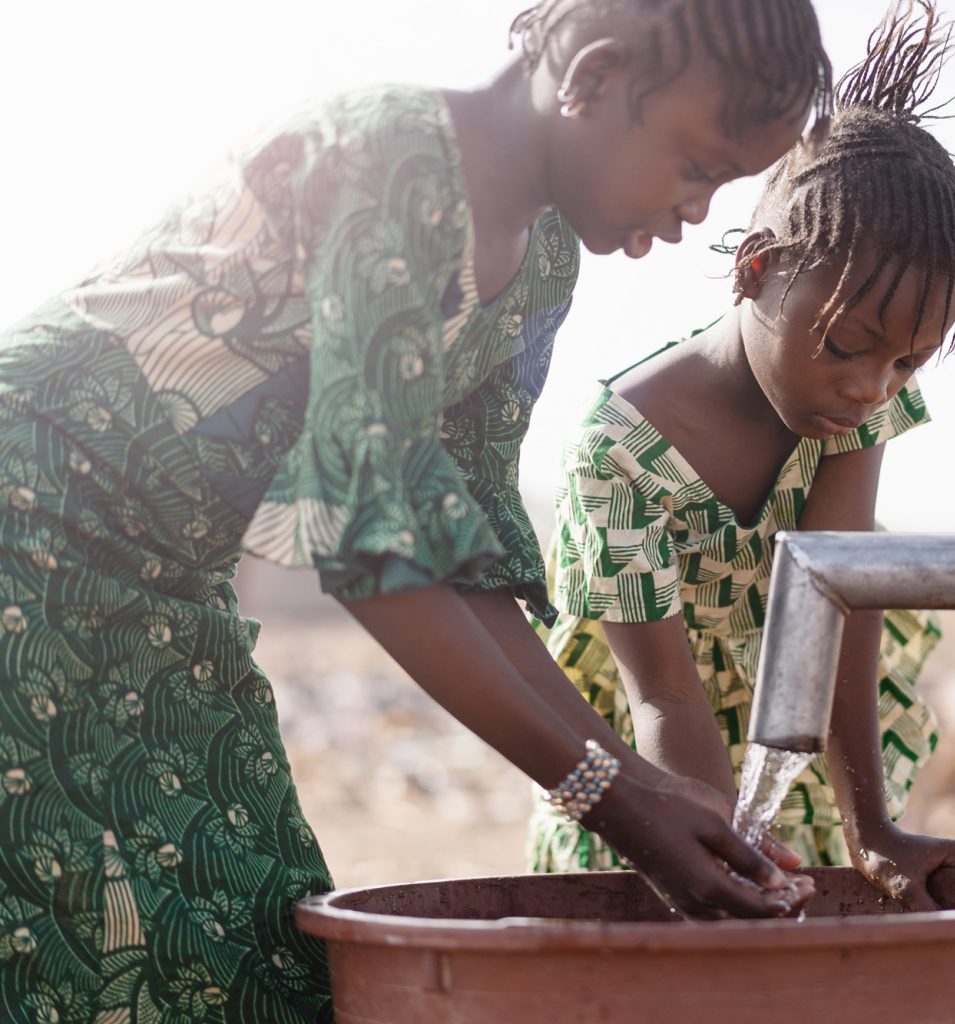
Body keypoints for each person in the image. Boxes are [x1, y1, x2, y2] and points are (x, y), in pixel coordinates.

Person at [0, 2, 832, 1020]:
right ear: (599, 77)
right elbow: (369, 550)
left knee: (243, 923)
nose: (698, 212)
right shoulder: (392, 159)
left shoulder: (539, 265)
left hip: (162, 583)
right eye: (697, 167)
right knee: (72, 926)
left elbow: (458, 560)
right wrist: (610, 800)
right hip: (24, 526)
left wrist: (648, 792)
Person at [530, 0, 955, 910]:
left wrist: (870, 827)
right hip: (660, 809)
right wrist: (724, 862)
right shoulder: (617, 455)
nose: (873, 386)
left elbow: (841, 606)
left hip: (798, 798)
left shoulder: (847, 412)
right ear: (757, 270)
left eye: (907, 363)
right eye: (851, 344)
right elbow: (663, 696)